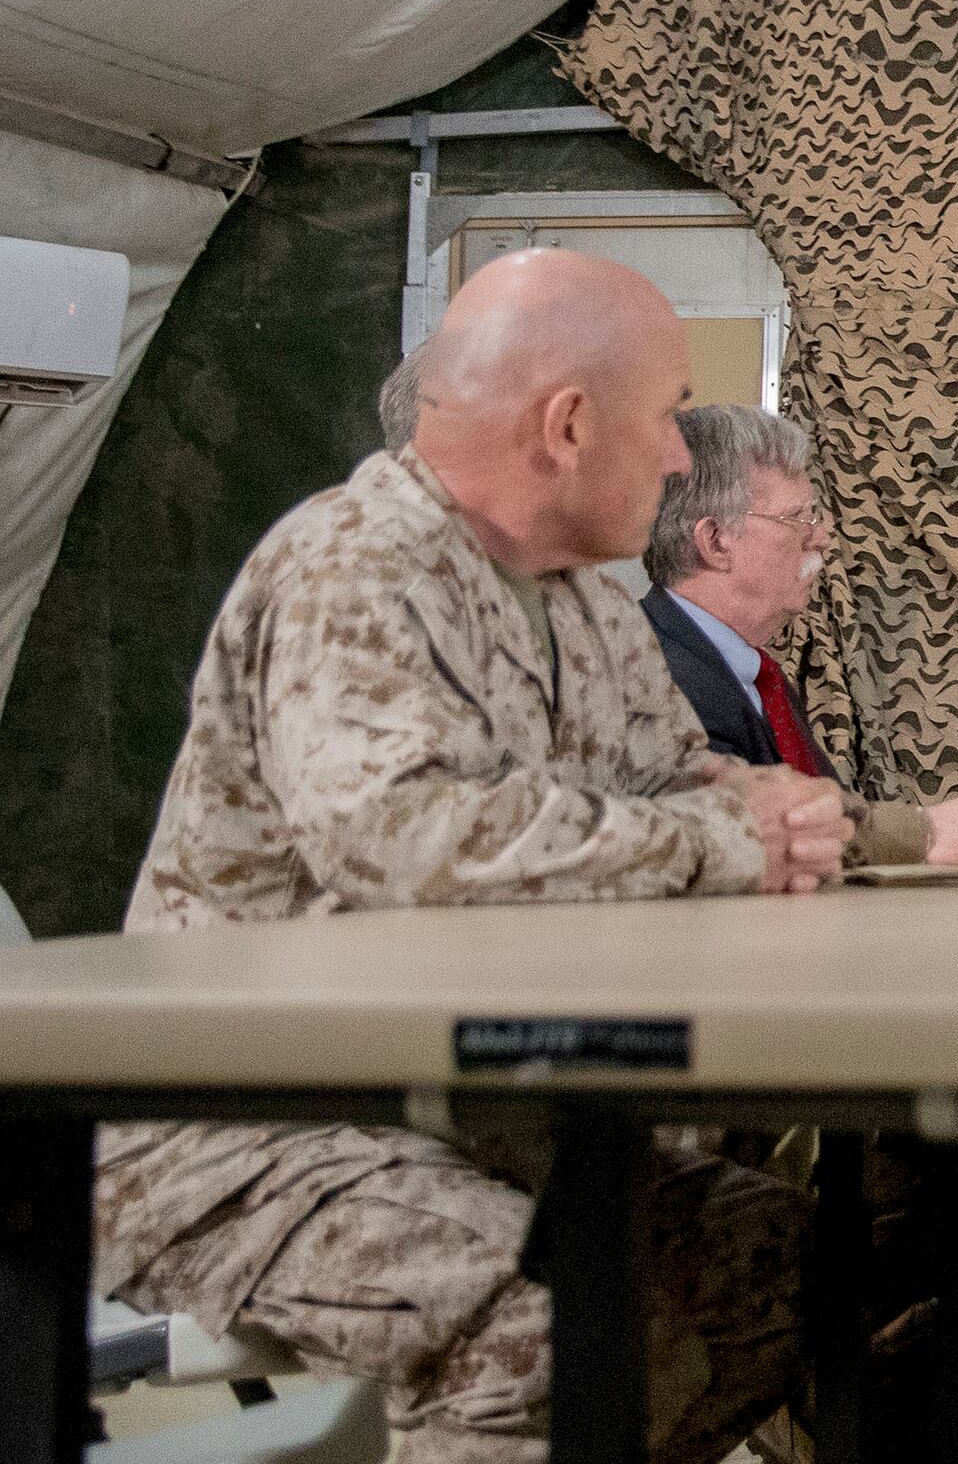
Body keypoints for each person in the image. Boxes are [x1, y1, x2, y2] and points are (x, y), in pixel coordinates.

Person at [95, 250, 849, 1464]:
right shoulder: (355, 563)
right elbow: (406, 837)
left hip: (471, 1106)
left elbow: (669, 773)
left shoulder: (582, 598)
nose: (672, 455)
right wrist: (729, 835)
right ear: (566, 423)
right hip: (254, 1129)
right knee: (537, 1327)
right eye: (662, 418)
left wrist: (808, 818)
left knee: (794, 1270)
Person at [639, 403, 958, 869]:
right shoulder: (655, 674)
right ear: (715, 542)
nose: (822, 538)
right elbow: (762, 842)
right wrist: (928, 835)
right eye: (799, 519)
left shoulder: (755, 675)